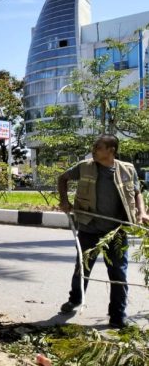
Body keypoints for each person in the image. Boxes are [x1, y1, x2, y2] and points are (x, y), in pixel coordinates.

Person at [57, 134, 149, 328]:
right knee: (82, 268)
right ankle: (75, 299)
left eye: (98, 147)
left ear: (111, 150)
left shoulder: (127, 169)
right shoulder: (85, 166)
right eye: (94, 146)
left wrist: (142, 212)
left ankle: (117, 315)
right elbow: (62, 178)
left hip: (116, 231)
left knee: (118, 274)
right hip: (89, 228)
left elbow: (138, 192)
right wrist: (64, 201)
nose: (94, 149)